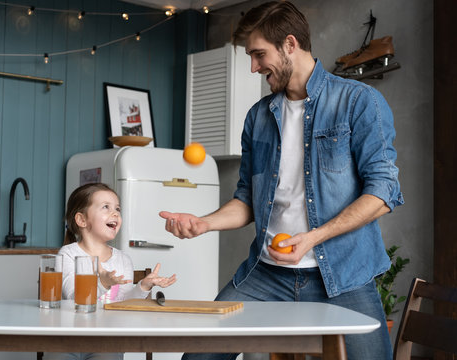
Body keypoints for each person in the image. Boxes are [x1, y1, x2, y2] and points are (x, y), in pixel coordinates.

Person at [159, 2, 403, 360]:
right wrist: (204, 223)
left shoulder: (358, 102)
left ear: (290, 44)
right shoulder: (258, 117)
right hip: (266, 275)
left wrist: (313, 239)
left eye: (259, 54)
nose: (254, 67)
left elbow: (383, 192)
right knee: (200, 355)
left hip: (343, 274)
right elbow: (247, 198)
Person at [45, 183, 176, 360]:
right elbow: (73, 297)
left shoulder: (123, 260)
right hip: (67, 339)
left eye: (117, 208)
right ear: (82, 220)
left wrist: (143, 287)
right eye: (106, 207)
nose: (115, 213)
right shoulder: (68, 254)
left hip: (108, 341)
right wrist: (102, 283)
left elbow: (124, 304)